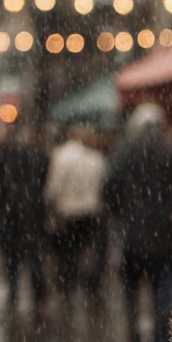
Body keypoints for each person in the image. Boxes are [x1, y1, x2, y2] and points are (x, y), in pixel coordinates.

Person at [102, 103, 172, 342]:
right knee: (163, 298)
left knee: (130, 300)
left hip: (132, 238)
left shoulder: (125, 151)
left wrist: (123, 212)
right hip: (166, 237)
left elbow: (107, 191)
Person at [45, 126, 106, 304]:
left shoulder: (60, 156)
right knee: (84, 247)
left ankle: (67, 286)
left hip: (67, 211)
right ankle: (88, 283)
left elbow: (53, 187)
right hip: (89, 210)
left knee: (67, 251)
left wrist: (52, 203)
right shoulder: (95, 158)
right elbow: (101, 186)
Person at [0, 125, 50, 313]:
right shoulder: (38, 157)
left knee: (12, 257)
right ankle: (37, 291)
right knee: (32, 255)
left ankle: (14, 292)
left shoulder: (5, 158)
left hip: (13, 213)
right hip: (30, 212)